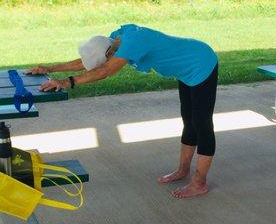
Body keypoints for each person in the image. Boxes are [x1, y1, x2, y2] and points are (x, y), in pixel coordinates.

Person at [26, 24, 218, 199]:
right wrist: (50, 68)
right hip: (186, 69)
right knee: (189, 120)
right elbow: (89, 63)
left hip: (201, 63)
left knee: (201, 123)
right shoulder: (114, 40)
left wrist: (67, 82)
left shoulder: (132, 43)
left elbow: (105, 70)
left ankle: (199, 183)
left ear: (110, 53)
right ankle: (183, 171)